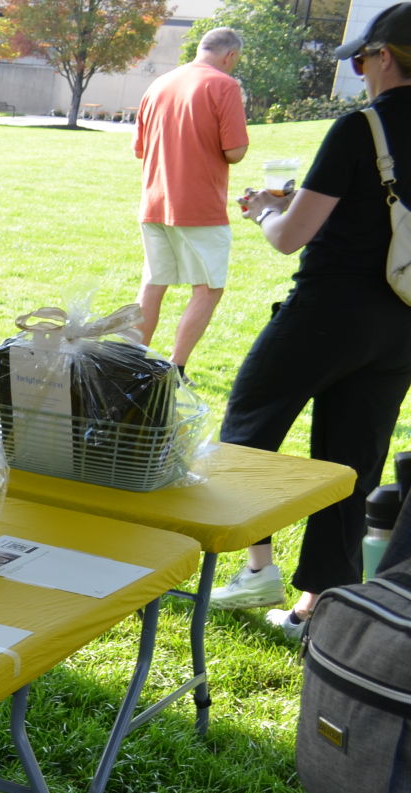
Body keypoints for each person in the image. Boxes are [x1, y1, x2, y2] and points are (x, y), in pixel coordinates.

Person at [212, 3, 411, 638]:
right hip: (403, 323)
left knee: (246, 428)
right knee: (352, 463)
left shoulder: (362, 127)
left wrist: (261, 212)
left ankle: (257, 568)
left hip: (328, 313)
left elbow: (291, 237)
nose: (359, 72)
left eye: (360, 60)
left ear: (383, 57)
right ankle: (320, 605)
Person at [132, 27, 249, 375]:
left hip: (154, 201)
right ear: (229, 56)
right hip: (199, 207)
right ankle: (176, 367)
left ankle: (132, 362)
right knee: (209, 287)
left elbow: (139, 149)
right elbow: (235, 151)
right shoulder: (224, 85)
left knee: (154, 283)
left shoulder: (158, 85)